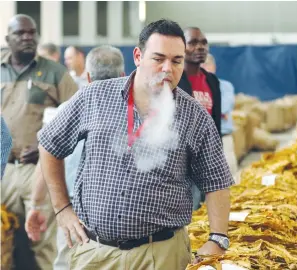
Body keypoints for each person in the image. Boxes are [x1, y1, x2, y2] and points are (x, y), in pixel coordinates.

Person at [37, 19, 234, 270]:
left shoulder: (194, 116)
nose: (167, 68)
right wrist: (62, 208)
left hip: (161, 256)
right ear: (138, 56)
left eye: (176, 61)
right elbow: (49, 143)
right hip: (95, 253)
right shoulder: (95, 96)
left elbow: (217, 181)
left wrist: (218, 238)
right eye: (158, 58)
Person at [25, 45, 125, 270]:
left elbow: (46, 158)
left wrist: (36, 205)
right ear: (123, 75)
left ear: (87, 77)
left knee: (67, 262)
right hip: (123, 216)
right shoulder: (136, 114)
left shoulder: (65, 110)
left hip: (72, 211)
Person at [1, 14, 78, 270]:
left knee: (43, 243)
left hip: (37, 171)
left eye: (31, 33)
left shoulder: (55, 72)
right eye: (20, 33)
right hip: (3, 170)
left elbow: (76, 117)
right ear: (7, 39)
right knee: (3, 240)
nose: (27, 38)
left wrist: (45, 146)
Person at [178, 27, 222, 137]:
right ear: (181, 47)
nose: (200, 47)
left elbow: (216, 122)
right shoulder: (175, 80)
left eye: (204, 43)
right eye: (193, 43)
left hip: (207, 148)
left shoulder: (212, 80)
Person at [201, 53, 238, 177]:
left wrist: (207, 108)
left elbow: (223, 107)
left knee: (230, 174)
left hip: (223, 137)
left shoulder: (226, 86)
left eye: (207, 64)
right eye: (201, 65)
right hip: (202, 141)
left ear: (214, 67)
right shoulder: (194, 87)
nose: (205, 68)